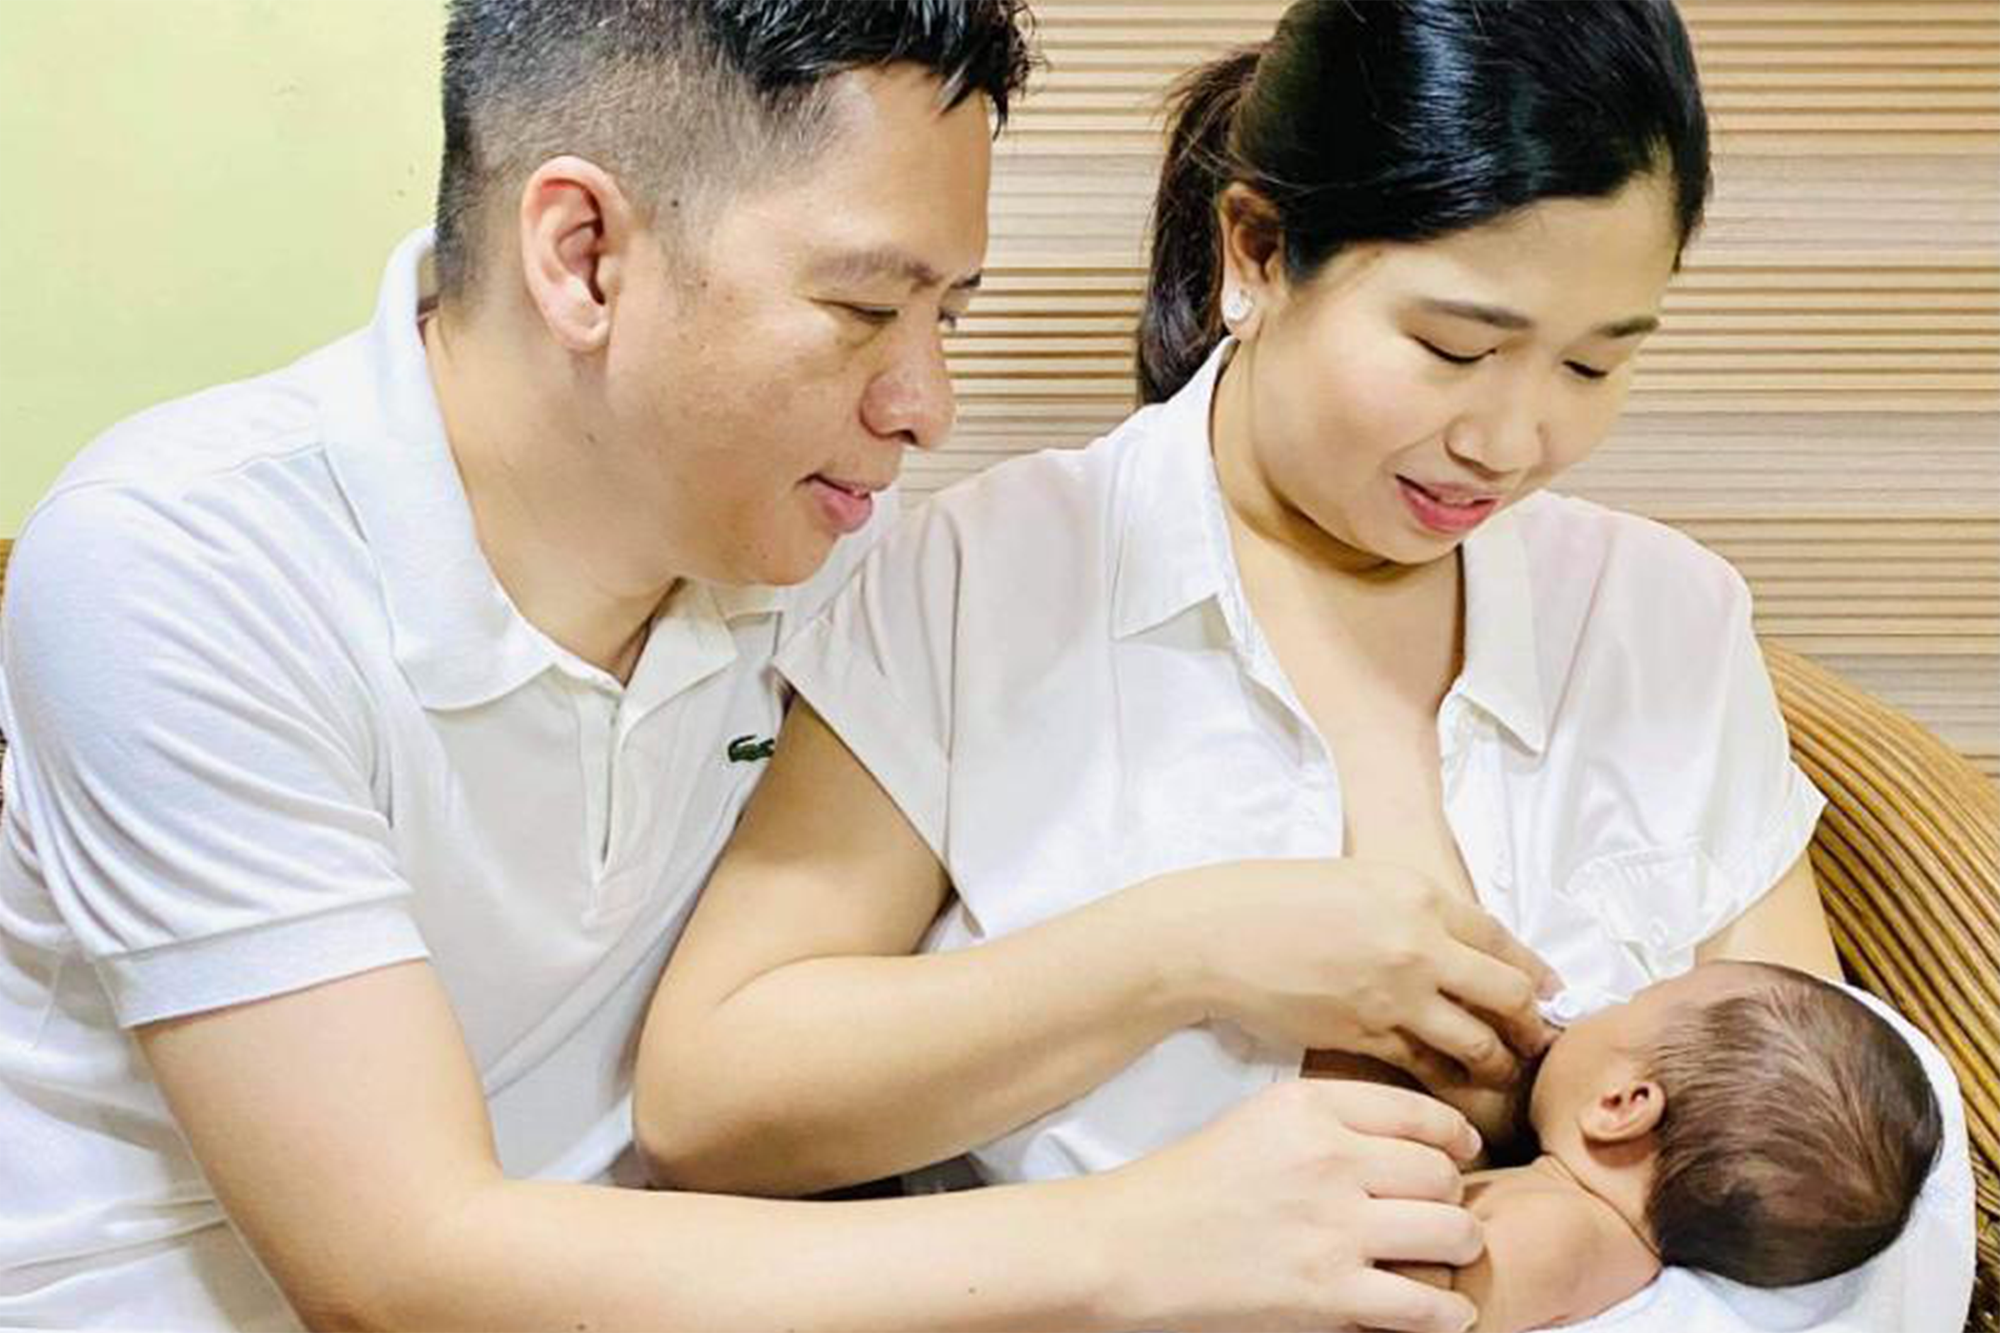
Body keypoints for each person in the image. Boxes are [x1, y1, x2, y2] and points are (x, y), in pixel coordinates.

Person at [0, 5, 1503, 1332]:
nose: (924, 403)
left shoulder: (824, 548)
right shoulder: (187, 561)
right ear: (584, 256)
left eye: (947, 314)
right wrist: (1141, 1238)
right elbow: (399, 1268)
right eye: (863, 310)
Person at [1400, 961, 1943, 1331]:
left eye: (1629, 1002)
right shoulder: (1600, 1240)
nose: (1592, 1009)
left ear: (1621, 1105)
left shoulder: (1558, 1239)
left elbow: (1406, 1302)